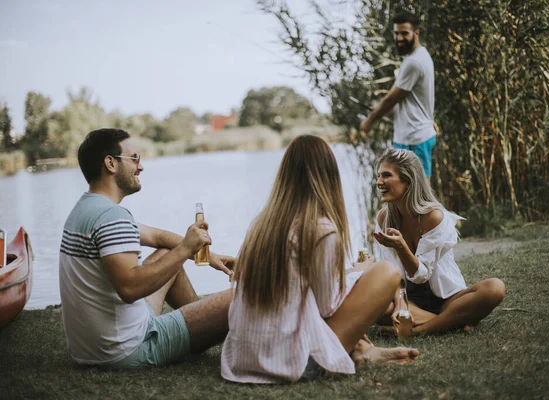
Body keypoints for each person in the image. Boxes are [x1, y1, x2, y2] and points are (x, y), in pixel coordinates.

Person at [221, 135, 419, 384]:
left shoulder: (261, 226)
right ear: (329, 177)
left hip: (242, 359)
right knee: (387, 272)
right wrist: (359, 273)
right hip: (293, 363)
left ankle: (363, 352)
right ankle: (353, 352)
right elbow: (328, 306)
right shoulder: (321, 228)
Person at [59, 128, 234, 369]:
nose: (140, 167)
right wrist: (184, 249)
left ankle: (201, 325)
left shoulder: (87, 209)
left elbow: (157, 236)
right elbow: (130, 288)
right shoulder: (112, 217)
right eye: (134, 159)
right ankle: (203, 326)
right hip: (129, 347)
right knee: (237, 297)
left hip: (92, 348)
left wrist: (208, 256)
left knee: (165, 254)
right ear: (110, 163)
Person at [372, 148, 506, 335]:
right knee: (374, 301)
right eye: (378, 176)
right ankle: (452, 322)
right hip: (411, 302)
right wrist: (400, 304)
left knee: (495, 288)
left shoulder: (433, 217)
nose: (379, 182)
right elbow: (393, 274)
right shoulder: (384, 218)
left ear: (408, 180)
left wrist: (401, 246)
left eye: (386, 175)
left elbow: (421, 275)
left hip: (447, 300)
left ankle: (419, 330)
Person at [360, 12, 437, 178]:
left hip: (415, 140)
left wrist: (370, 119)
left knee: (420, 198)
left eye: (404, 33)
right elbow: (407, 102)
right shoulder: (414, 57)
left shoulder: (414, 62)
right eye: (396, 33)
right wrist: (387, 113)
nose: (399, 38)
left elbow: (390, 98)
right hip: (408, 138)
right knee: (404, 198)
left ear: (416, 33)